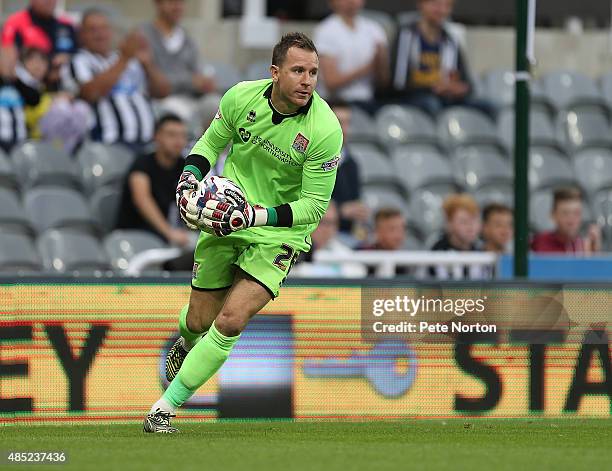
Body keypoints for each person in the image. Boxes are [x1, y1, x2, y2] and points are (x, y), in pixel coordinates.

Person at [144, 32, 342, 433]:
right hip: (225, 216)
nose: (307, 81)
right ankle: (185, 344)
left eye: (314, 73)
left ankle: (163, 409)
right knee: (199, 321)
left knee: (231, 320)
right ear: (275, 72)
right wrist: (188, 179)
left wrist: (257, 216)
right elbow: (209, 143)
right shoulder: (239, 98)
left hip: (277, 232)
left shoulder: (325, 130)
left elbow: (313, 208)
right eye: (298, 71)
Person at [61, 9, 170, 153]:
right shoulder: (79, 61)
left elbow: (163, 92)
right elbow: (90, 93)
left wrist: (147, 64)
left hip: (148, 144)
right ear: (82, 35)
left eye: (104, 28)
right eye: (92, 30)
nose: (100, 34)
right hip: (110, 145)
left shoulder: (129, 60)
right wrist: (124, 58)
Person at [390, 0, 494, 118]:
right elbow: (398, 83)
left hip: (446, 98)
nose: (442, 10)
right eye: (436, 5)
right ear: (421, 5)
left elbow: (467, 84)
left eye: (447, 6)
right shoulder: (406, 36)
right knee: (431, 104)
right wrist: (433, 88)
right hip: (413, 97)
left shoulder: (451, 41)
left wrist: (458, 88)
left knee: (488, 107)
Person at [115, 114, 192, 248]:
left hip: (169, 235)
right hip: (136, 234)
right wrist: (170, 233)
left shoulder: (184, 166)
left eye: (182, 136)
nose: (178, 141)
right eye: (171, 135)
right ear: (156, 136)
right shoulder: (142, 163)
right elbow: (142, 200)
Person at [141, 0, 217, 121]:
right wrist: (191, 81)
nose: (177, 7)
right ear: (158, 4)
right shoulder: (143, 35)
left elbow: (199, 74)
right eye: (172, 2)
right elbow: (155, 82)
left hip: (191, 98)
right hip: (160, 100)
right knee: (177, 111)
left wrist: (205, 82)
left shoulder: (187, 38)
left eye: (181, 2)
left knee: (217, 106)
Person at [313, 0, 389, 113]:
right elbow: (331, 82)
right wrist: (368, 68)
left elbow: (384, 82)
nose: (351, 1)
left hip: (369, 100)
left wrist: (380, 63)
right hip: (336, 103)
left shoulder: (375, 29)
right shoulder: (325, 30)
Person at [0, 0, 77, 82]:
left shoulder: (66, 25)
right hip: (26, 85)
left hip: (63, 84)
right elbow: (7, 59)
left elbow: (78, 55)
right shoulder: (16, 23)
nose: (49, 1)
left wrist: (67, 59)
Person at [292, 201, 366, 277]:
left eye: (332, 223)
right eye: (322, 222)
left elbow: (358, 271)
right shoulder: (293, 246)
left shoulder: (340, 250)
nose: (327, 229)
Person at [328, 99, 369, 236]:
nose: (344, 129)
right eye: (340, 122)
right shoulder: (310, 159)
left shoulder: (352, 164)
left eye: (347, 122)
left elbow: (355, 201)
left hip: (346, 236)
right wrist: (341, 210)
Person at [429, 193, 485, 279]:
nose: (470, 226)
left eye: (474, 220)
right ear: (449, 223)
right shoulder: (437, 252)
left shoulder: (482, 252)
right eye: (463, 221)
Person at [531, 187, 601, 254]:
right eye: (565, 213)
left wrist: (593, 256)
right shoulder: (539, 243)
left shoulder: (585, 247)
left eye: (576, 213)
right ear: (553, 215)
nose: (571, 220)